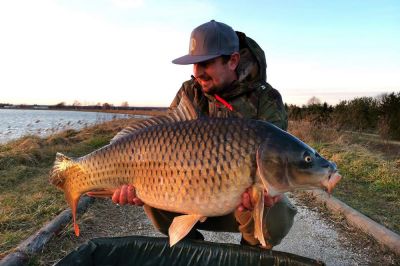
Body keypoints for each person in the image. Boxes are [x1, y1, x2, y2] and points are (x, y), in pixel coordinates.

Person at [111, 20, 297, 248]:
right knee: (151, 189)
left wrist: (269, 192)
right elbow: (163, 140)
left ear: (233, 61)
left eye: (206, 63)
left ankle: (250, 253)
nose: (197, 73)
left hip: (240, 202)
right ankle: (192, 250)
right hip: (194, 193)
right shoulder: (189, 92)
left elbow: (277, 161)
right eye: (194, 64)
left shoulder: (266, 100)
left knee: (277, 215)